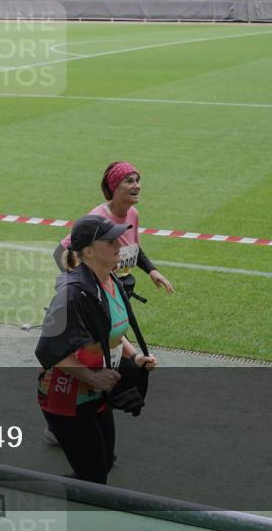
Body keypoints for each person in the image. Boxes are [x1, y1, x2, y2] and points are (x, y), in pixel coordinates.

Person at [36, 214, 157, 484]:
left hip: (97, 389)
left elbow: (112, 330)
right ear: (89, 251)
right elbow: (48, 351)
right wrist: (92, 377)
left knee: (104, 462)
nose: (119, 245)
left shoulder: (111, 280)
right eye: (110, 241)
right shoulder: (72, 294)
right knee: (94, 477)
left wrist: (134, 355)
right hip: (66, 395)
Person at [53, 161, 174, 299]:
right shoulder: (97, 218)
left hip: (120, 288)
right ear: (114, 187)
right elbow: (60, 253)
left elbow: (133, 249)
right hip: (100, 294)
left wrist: (152, 271)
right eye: (129, 181)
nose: (137, 186)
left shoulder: (133, 213)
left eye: (137, 180)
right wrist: (84, 286)